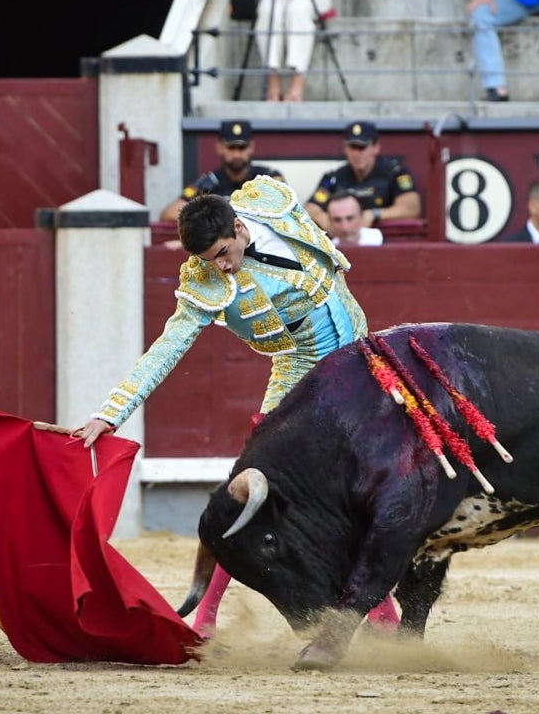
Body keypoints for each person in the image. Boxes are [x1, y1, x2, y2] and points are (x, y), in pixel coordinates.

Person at [73, 177, 398, 636]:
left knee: (368, 487)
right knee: (255, 492)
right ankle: (206, 614)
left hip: (360, 362)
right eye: (209, 261)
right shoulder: (207, 283)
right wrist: (112, 411)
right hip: (302, 376)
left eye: (224, 253)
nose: (222, 268)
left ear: (241, 228)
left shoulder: (272, 200)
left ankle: (383, 615)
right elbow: (166, 349)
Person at [160, 120, 284, 222]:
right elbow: (169, 213)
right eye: (231, 148)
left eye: (242, 148)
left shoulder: (269, 178)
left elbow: (287, 210)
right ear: (219, 148)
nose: (236, 154)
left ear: (251, 147)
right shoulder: (209, 182)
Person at [306, 121, 421, 230]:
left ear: (375, 148)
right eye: (352, 147)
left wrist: (375, 214)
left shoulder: (395, 173)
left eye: (362, 147)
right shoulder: (333, 178)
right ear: (345, 149)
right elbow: (310, 208)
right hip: (341, 241)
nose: (357, 153)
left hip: (383, 240)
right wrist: (324, 219)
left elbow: (411, 208)